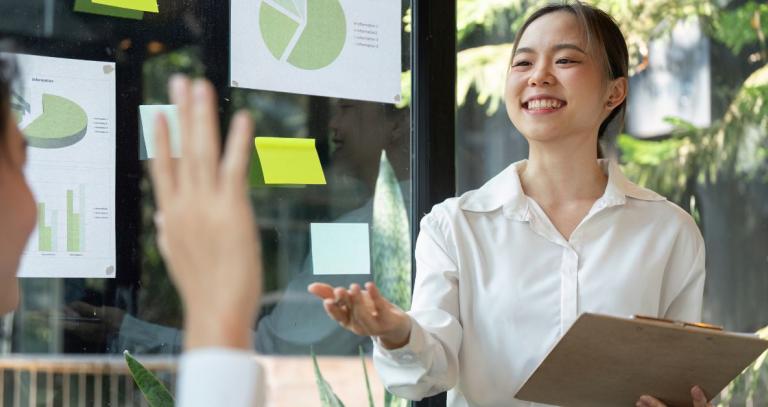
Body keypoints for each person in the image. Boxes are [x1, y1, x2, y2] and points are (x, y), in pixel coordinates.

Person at [308, 3, 713, 407]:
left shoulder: (669, 230)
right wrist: (396, 332)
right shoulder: (454, 226)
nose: (539, 76)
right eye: (523, 63)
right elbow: (428, 372)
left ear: (614, 92)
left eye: (566, 59)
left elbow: (676, 378)